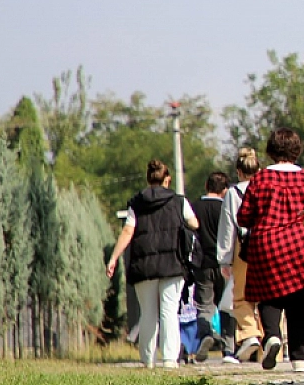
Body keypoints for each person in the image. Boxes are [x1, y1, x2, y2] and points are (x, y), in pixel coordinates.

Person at [235, 129, 304, 374]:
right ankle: (299, 358)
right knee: (298, 302)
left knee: (268, 297)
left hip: (267, 245)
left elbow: (244, 217)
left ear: (271, 151)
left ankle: (272, 336)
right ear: (297, 150)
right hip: (301, 246)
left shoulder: (260, 180)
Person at [105, 159, 199, 368]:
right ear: (168, 179)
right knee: (169, 311)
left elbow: (128, 231)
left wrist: (113, 258)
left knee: (148, 312)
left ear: (148, 179)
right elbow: (194, 223)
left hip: (144, 266)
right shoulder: (179, 201)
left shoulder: (137, 203)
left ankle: (148, 359)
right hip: (172, 264)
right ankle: (169, 359)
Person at [218, 147, 261, 363]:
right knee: (267, 297)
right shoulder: (266, 188)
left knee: (241, 296)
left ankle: (249, 333)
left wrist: (225, 259)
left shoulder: (233, 194)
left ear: (239, 172)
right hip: (266, 244)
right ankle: (272, 345)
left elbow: (228, 227)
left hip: (242, 246)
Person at [189, 172, 229, 362]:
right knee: (227, 305)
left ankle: (206, 334)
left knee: (204, 305)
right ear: (225, 190)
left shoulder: (195, 207)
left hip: (203, 262)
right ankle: (229, 348)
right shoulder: (226, 207)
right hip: (224, 262)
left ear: (206, 185)